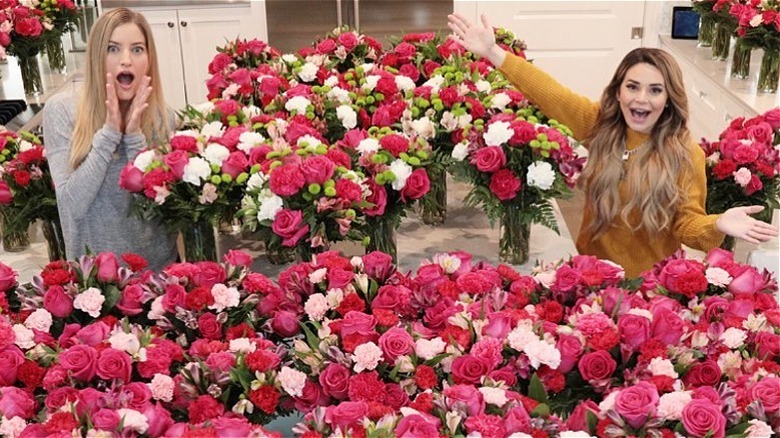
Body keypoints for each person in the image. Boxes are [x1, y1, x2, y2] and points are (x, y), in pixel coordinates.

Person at [448, 13, 779, 277]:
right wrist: (494, 53)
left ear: (669, 99)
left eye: (655, 90)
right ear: (618, 91)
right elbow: (553, 94)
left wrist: (717, 222)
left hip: (649, 284)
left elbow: (687, 225)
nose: (641, 98)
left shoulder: (684, 153)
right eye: (632, 86)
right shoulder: (601, 127)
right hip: (590, 272)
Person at [44, 7, 177, 271]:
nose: (126, 60)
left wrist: (134, 138)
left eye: (137, 49)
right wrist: (110, 133)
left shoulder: (163, 116)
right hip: (96, 280)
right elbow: (72, 206)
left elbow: (160, 211)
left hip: (158, 273)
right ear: (96, 56)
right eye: (113, 49)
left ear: (149, 59)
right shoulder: (62, 111)